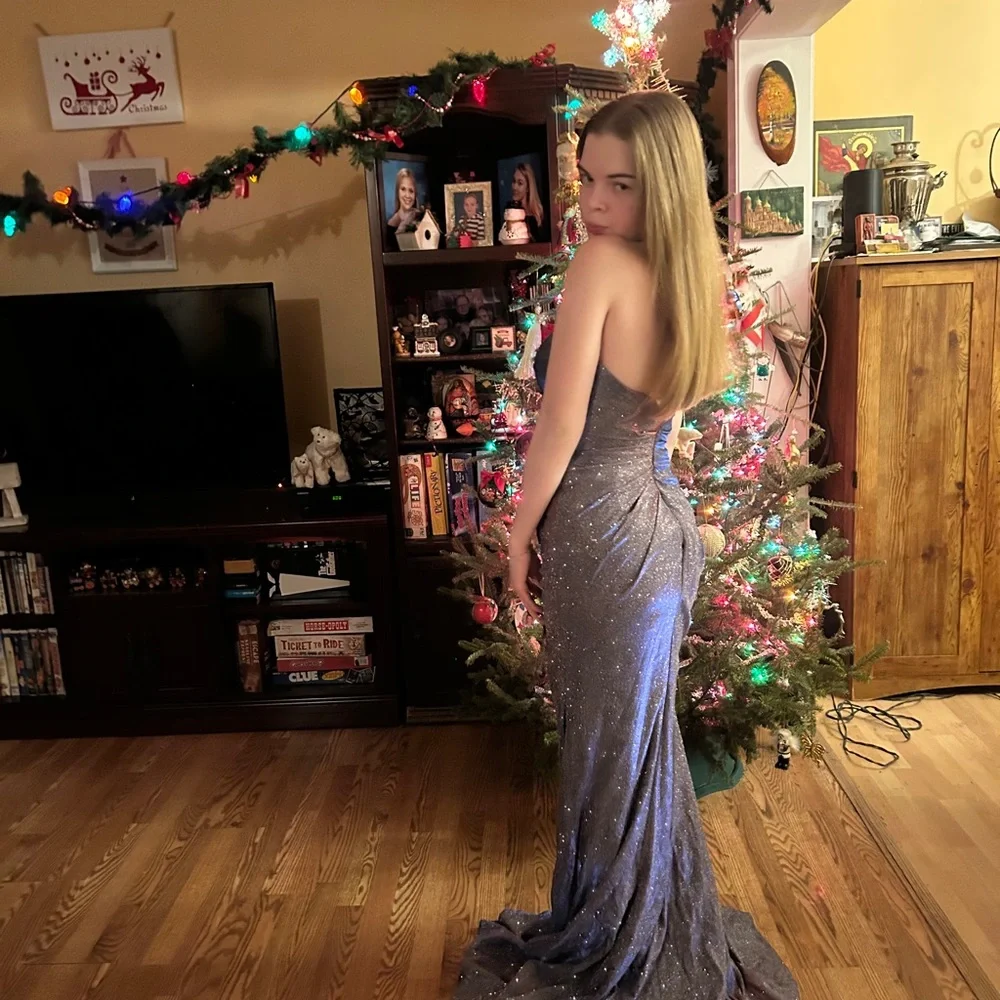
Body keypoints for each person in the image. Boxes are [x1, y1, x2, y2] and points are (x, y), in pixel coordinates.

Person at [453, 91, 799, 1000]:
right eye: (587, 181)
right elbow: (663, 429)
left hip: (602, 532)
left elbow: (561, 427)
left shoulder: (599, 264)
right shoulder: (689, 275)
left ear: (665, 187)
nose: (597, 204)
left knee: (610, 752)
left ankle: (623, 945)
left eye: (622, 185)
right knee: (636, 749)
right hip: (659, 527)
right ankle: (642, 923)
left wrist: (517, 534)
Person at [511, 161, 545, 242]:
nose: (514, 187)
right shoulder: (509, 213)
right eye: (514, 181)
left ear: (528, 188)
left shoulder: (536, 217)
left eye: (520, 183)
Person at [387, 167, 420, 232]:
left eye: (411, 191)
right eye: (403, 189)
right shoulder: (391, 224)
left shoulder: (421, 218)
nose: (407, 195)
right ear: (397, 191)